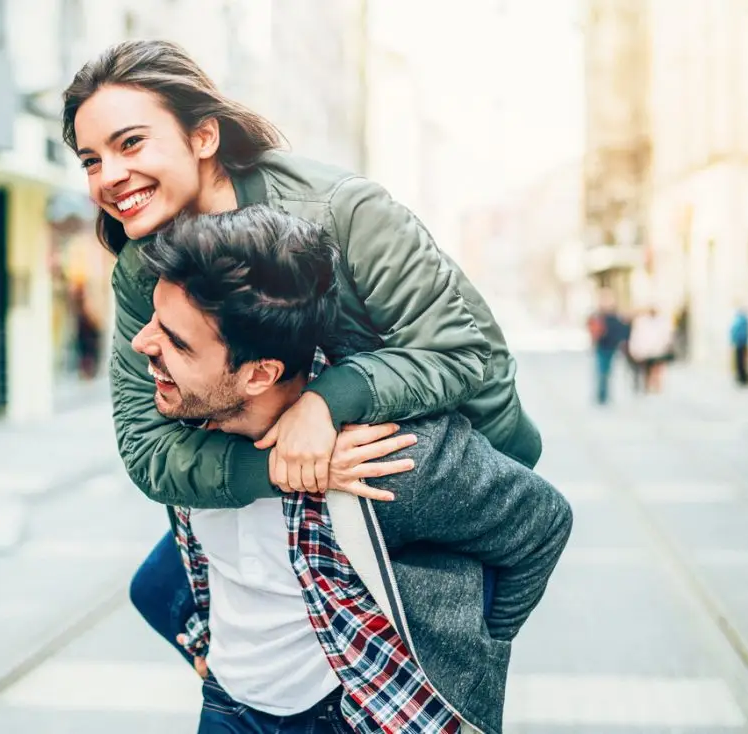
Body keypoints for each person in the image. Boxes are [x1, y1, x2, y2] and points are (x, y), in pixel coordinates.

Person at [62, 40, 542, 665]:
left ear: (203, 136)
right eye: (91, 160)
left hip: (435, 471)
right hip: (302, 477)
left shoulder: (344, 211)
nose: (110, 177)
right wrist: (289, 469)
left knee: (419, 672)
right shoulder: (140, 268)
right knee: (163, 593)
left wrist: (325, 404)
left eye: (131, 143)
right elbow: (148, 447)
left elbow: (459, 352)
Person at [133, 207, 571, 734]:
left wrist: (473, 653)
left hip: (352, 714)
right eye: (155, 321)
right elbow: (199, 560)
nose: (142, 345)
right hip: (227, 707)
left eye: (176, 342)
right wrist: (207, 645)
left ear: (259, 375)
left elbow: (543, 525)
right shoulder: (186, 426)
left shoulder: (387, 453)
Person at [587, 289, 629, 404]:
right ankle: (601, 395)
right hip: (602, 347)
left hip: (611, 347)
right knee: (602, 371)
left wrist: (622, 343)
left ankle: (604, 394)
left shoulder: (615, 316)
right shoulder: (598, 316)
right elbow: (592, 329)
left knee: (607, 371)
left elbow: (622, 331)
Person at [729, 305, 748, 387]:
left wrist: (733, 341)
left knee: (740, 361)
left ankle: (741, 377)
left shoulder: (739, 321)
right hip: (742, 343)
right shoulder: (743, 321)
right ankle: (742, 377)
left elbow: (733, 332)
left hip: (739, 343)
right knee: (741, 361)